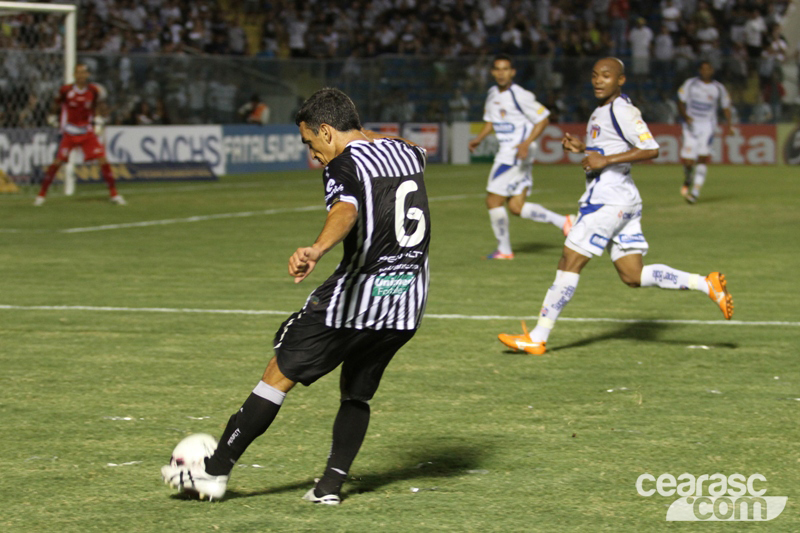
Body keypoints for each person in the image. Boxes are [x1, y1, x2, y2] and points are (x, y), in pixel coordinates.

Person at [161, 88, 431, 505]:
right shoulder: (407, 153)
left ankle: (212, 473)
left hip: (356, 299)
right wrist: (362, 133)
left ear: (326, 131)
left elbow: (346, 210)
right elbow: (402, 146)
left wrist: (317, 249)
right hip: (407, 301)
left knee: (278, 372)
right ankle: (328, 489)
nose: (313, 155)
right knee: (356, 391)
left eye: (311, 143)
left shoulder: (342, 165)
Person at [497, 58, 734, 356]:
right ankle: (705, 284)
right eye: (595, 75)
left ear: (620, 80)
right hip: (622, 201)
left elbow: (652, 148)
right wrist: (585, 148)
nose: (598, 80)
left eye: (606, 76)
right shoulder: (602, 112)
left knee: (569, 261)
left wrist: (604, 160)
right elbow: (611, 148)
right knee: (633, 276)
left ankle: (538, 336)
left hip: (608, 202)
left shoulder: (622, 109)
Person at [468, 54, 573, 260]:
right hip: (511, 152)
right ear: (492, 72)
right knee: (516, 206)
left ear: (512, 72)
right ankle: (564, 222)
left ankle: (505, 251)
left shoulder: (520, 95)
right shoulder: (491, 94)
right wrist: (479, 138)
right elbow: (491, 120)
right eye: (497, 69)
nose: (501, 73)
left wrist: (525, 143)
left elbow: (543, 118)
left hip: (514, 152)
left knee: (493, 200)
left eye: (505, 69)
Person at [34, 64, 125, 206]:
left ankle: (114, 194)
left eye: (84, 72)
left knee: (103, 159)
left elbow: (99, 106)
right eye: (78, 72)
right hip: (70, 132)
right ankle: (41, 195)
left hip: (86, 131)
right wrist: (52, 116)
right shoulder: (66, 90)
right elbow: (56, 104)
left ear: (88, 75)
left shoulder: (94, 91)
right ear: (74, 75)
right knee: (57, 162)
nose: (81, 75)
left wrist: (100, 118)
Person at [677, 61, 732, 204]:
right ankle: (688, 176)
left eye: (709, 69)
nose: (706, 71)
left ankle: (694, 193)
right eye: (703, 69)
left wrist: (730, 125)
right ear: (700, 70)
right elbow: (680, 101)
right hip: (691, 126)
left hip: (708, 126)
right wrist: (686, 116)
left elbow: (725, 106)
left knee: (702, 158)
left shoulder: (718, 88)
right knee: (689, 161)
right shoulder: (690, 84)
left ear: (712, 71)